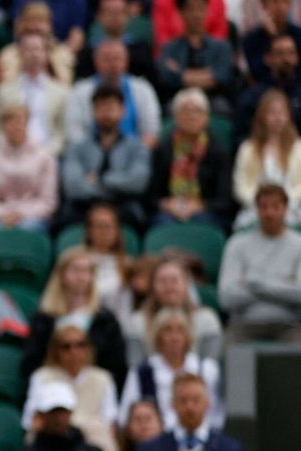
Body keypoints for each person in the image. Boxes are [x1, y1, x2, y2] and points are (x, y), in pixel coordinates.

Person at [21, 246, 128, 388]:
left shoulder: (105, 320)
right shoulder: (43, 319)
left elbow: (116, 366)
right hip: (52, 390)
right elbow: (31, 364)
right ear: (61, 275)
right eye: (76, 270)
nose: (81, 276)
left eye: (87, 271)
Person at [60, 83, 152, 229]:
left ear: (123, 111)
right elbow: (73, 186)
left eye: (111, 108)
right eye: (101, 108)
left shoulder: (138, 148)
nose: (106, 113)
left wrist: (99, 179)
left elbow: (137, 183)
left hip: (123, 207)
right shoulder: (77, 148)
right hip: (85, 206)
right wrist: (116, 185)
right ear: (93, 112)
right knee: (65, 220)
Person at [218, 184, 301, 344]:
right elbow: (226, 297)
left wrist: (252, 283)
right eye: (264, 207)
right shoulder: (236, 244)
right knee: (223, 352)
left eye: (275, 207)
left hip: (291, 325)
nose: (269, 213)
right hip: (243, 325)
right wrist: (284, 284)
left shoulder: (299, 245)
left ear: (286, 208)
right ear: (256, 210)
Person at [22, 323, 119, 451]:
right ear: (56, 350)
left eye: (80, 344)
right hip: (52, 437)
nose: (74, 351)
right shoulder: (42, 377)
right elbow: (31, 420)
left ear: (88, 348)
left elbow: (109, 419)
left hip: (91, 440)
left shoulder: (103, 378)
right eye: (66, 346)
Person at [145, 88, 234, 230]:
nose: (191, 116)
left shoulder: (218, 152)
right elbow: (151, 196)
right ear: (175, 116)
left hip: (206, 210)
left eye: (198, 111)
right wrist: (167, 204)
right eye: (185, 110)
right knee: (162, 223)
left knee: (203, 223)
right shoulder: (163, 150)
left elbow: (224, 200)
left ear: (207, 118)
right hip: (170, 209)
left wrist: (200, 205)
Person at [119, 308, 223, 430]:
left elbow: (217, 413)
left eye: (180, 330)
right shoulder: (141, 371)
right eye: (168, 330)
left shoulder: (207, 369)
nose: (174, 337)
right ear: (158, 336)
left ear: (188, 336)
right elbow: (125, 416)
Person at [0, 101, 58, 231]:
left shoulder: (45, 157)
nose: (16, 126)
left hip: (33, 216)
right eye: (10, 121)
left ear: (27, 124)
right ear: (2, 126)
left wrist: (21, 214)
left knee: (29, 228)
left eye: (20, 121)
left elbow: (47, 202)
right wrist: (4, 214)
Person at [127, 256, 222, 365]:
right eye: (162, 281)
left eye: (174, 280)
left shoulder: (207, 320)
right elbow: (135, 366)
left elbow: (210, 366)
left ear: (186, 284)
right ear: (153, 286)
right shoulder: (137, 322)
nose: (169, 286)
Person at [64, 41, 160, 149]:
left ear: (126, 61)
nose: (113, 64)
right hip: (89, 157)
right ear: (96, 62)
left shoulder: (143, 89)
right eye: (107, 59)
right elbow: (74, 132)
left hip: (134, 155)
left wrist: (135, 155)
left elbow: (151, 132)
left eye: (117, 58)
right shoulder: (80, 91)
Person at [0, 30, 69, 156]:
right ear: (20, 54)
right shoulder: (3, 91)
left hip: (49, 155)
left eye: (38, 49)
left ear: (46, 54)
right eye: (28, 49)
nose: (33, 54)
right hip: (9, 155)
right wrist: (8, 151)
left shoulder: (61, 92)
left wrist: (46, 153)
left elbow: (62, 132)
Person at [233, 92, 301, 231]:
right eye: (272, 113)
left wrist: (283, 206)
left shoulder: (298, 148)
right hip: (255, 210)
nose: (277, 118)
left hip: (291, 209)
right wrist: (263, 206)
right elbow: (240, 185)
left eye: (282, 113)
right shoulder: (248, 148)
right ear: (262, 116)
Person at [156, 0, 234, 111]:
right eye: (190, 9)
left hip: (212, 99)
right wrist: (207, 73)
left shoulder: (222, 47)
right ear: (181, 12)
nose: (196, 14)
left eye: (200, 9)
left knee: (223, 108)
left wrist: (180, 73)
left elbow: (221, 76)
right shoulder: (169, 48)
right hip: (178, 98)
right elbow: (166, 76)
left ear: (207, 11)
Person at [235, 33, 301, 143]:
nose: (286, 59)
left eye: (291, 53)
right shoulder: (252, 97)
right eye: (280, 53)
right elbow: (240, 137)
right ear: (268, 59)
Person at [76, 0, 156, 83]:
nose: (115, 17)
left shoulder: (141, 53)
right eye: (110, 12)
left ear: (128, 15)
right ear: (99, 16)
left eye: (120, 12)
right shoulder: (88, 54)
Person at [0, 2, 76, 85]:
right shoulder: (8, 55)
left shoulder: (63, 54)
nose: (35, 25)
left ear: (50, 25)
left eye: (40, 20)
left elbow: (65, 87)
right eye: (30, 20)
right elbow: (6, 88)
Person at [81, 202, 130, 316]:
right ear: (88, 231)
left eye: (108, 226)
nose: (104, 232)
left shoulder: (127, 264)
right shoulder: (76, 261)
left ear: (117, 231)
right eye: (98, 226)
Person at [243, 0, 301, 84]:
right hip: (266, 87)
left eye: (285, 2)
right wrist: (273, 36)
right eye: (275, 2)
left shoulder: (297, 34)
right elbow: (257, 71)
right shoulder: (252, 38)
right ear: (264, 5)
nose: (280, 7)